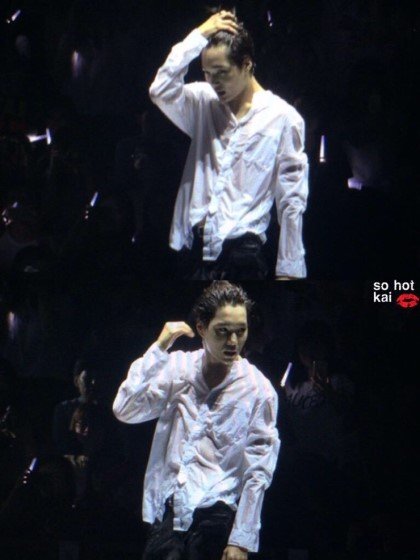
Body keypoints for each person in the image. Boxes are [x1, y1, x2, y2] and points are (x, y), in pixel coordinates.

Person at [113, 281, 280, 560]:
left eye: (241, 331)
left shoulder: (258, 390)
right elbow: (125, 408)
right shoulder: (178, 367)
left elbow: (258, 470)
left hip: (216, 517)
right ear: (202, 328)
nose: (233, 341)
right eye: (223, 331)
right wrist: (160, 347)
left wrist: (241, 539)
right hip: (169, 513)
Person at [149, 10, 308, 280]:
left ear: (246, 64)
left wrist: (289, 270)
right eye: (207, 73)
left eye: (222, 73)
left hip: (243, 256)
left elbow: (291, 199)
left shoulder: (283, 118)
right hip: (194, 251)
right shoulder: (203, 101)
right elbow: (160, 90)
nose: (214, 82)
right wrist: (199, 36)